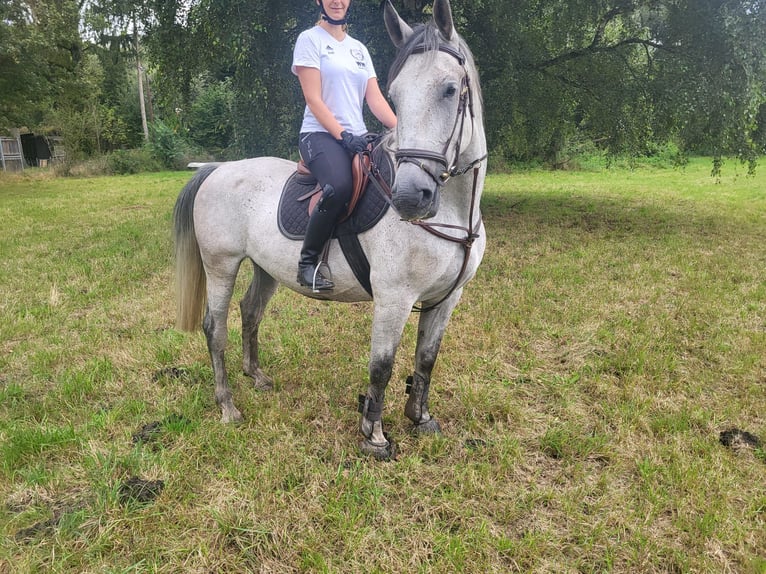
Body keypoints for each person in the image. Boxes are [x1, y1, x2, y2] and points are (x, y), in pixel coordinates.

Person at [292, 0, 397, 291]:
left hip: (358, 136)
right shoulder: (309, 40)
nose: (337, 1)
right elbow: (313, 99)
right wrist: (343, 135)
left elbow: (374, 100)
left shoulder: (359, 49)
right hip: (319, 135)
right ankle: (308, 264)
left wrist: (404, 129)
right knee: (339, 186)